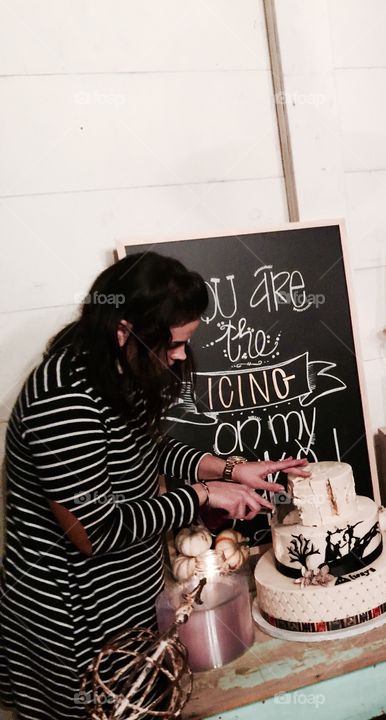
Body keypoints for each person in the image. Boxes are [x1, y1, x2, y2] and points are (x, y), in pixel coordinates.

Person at [0, 252, 309, 719]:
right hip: (76, 622)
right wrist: (200, 497)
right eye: (174, 344)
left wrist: (228, 470)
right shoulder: (62, 398)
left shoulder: (117, 370)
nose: (182, 355)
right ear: (124, 329)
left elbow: (148, 450)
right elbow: (95, 531)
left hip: (130, 605)